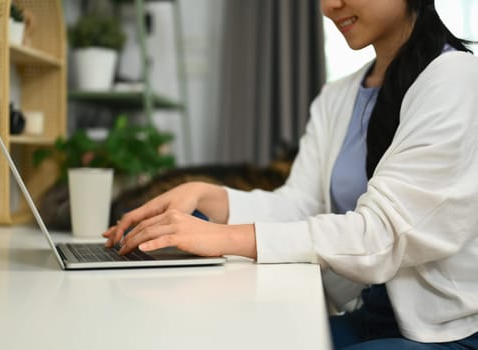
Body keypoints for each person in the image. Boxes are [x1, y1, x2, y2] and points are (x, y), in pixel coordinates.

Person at [104, 0, 478, 348]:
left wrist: (225, 237)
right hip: (376, 315)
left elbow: (382, 234)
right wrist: (205, 194)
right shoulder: (338, 96)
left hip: (450, 329)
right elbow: (301, 204)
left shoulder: (456, 78)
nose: (329, 5)